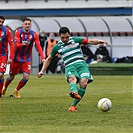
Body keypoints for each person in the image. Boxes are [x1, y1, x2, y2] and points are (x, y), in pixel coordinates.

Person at [37, 27, 108, 112]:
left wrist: (98, 41)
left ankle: (73, 106)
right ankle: (74, 92)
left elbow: (89, 41)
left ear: (69, 34)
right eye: (63, 37)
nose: (65, 39)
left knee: (84, 82)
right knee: (72, 79)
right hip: (70, 66)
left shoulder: (75, 40)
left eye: (67, 37)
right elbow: (48, 59)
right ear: (59, 36)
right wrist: (42, 71)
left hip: (81, 64)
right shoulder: (57, 47)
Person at [2, 17, 45, 98]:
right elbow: (16, 45)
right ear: (23, 25)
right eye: (26, 24)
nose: (27, 25)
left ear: (30, 25)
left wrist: (43, 58)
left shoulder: (34, 34)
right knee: (11, 76)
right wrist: (22, 44)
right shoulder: (18, 32)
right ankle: (4, 88)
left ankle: (16, 90)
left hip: (26, 59)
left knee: (26, 77)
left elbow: (38, 46)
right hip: (16, 59)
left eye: (29, 24)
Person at [0, 15, 14, 98]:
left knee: (1, 75)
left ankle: (0, 92)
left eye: (2, 22)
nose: (1, 23)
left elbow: (12, 44)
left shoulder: (6, 31)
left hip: (3, 55)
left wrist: (11, 57)